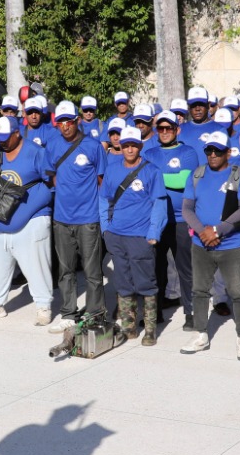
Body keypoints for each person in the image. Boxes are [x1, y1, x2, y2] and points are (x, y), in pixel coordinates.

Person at [0, 115, 55, 324]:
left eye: (5, 138)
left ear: (17, 133)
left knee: (37, 267)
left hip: (30, 220)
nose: (1, 142)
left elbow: (51, 182)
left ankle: (43, 306)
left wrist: (38, 206)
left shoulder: (36, 152)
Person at [182, 130, 240, 358]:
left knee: (238, 293)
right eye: (209, 150)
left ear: (228, 152)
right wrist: (202, 231)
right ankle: (200, 334)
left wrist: (217, 230)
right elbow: (187, 209)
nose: (213, 154)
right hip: (201, 244)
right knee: (199, 291)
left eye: (217, 150)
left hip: (231, 244)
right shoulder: (197, 174)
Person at [101, 127, 168, 345]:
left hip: (140, 236)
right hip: (117, 235)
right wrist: (105, 229)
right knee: (123, 282)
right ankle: (128, 326)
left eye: (134, 145)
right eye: (126, 145)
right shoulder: (112, 169)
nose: (129, 149)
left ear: (140, 146)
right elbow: (104, 200)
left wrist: (154, 232)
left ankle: (150, 329)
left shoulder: (152, 171)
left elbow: (159, 204)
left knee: (146, 283)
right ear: (120, 146)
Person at [45, 101, 107, 329]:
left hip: (88, 219)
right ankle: (68, 314)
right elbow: (51, 175)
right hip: (62, 219)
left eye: (69, 121)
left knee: (92, 272)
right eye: (60, 122)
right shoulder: (53, 145)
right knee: (65, 270)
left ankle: (95, 314)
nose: (65, 126)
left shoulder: (93, 146)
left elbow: (102, 181)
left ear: (77, 121)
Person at [149, 110, 202, 328]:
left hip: (182, 219)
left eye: (168, 128)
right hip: (158, 220)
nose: (164, 132)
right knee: (156, 268)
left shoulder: (188, 152)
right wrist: (163, 178)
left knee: (185, 269)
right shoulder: (150, 153)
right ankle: (155, 312)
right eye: (160, 128)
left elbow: (184, 180)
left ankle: (191, 313)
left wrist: (156, 177)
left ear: (177, 130)